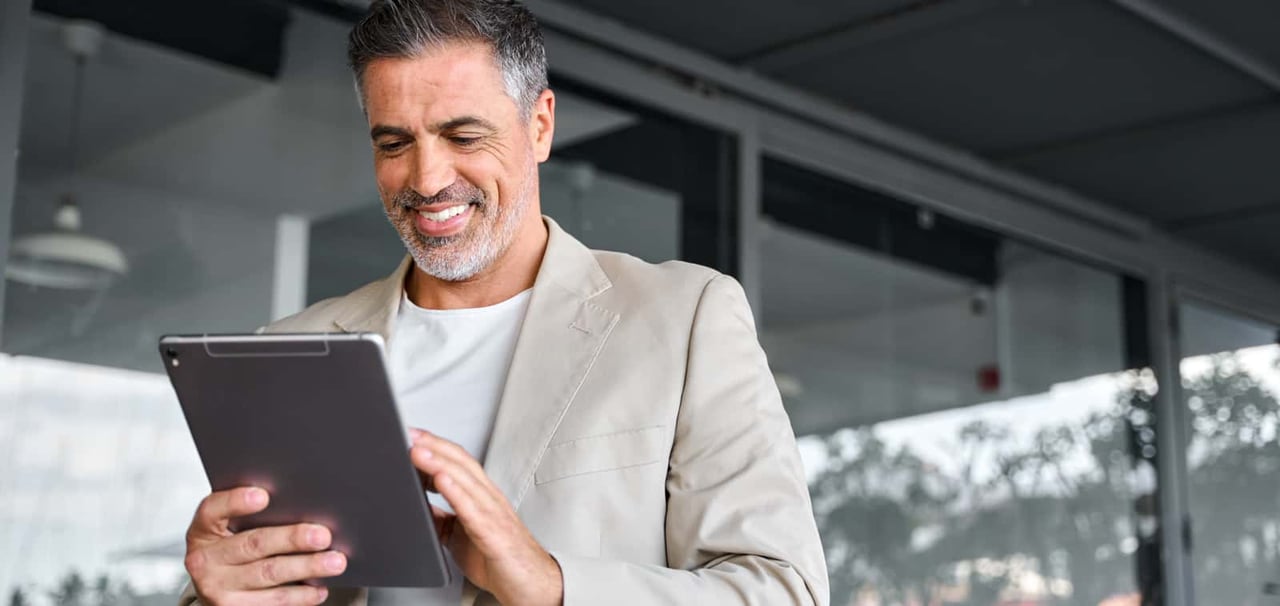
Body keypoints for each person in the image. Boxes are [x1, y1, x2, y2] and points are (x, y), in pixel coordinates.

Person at [178, 1, 828, 604]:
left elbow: (783, 589)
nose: (427, 180)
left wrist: (552, 583)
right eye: (394, 143)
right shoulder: (293, 345)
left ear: (539, 125)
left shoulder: (686, 318)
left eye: (463, 136)